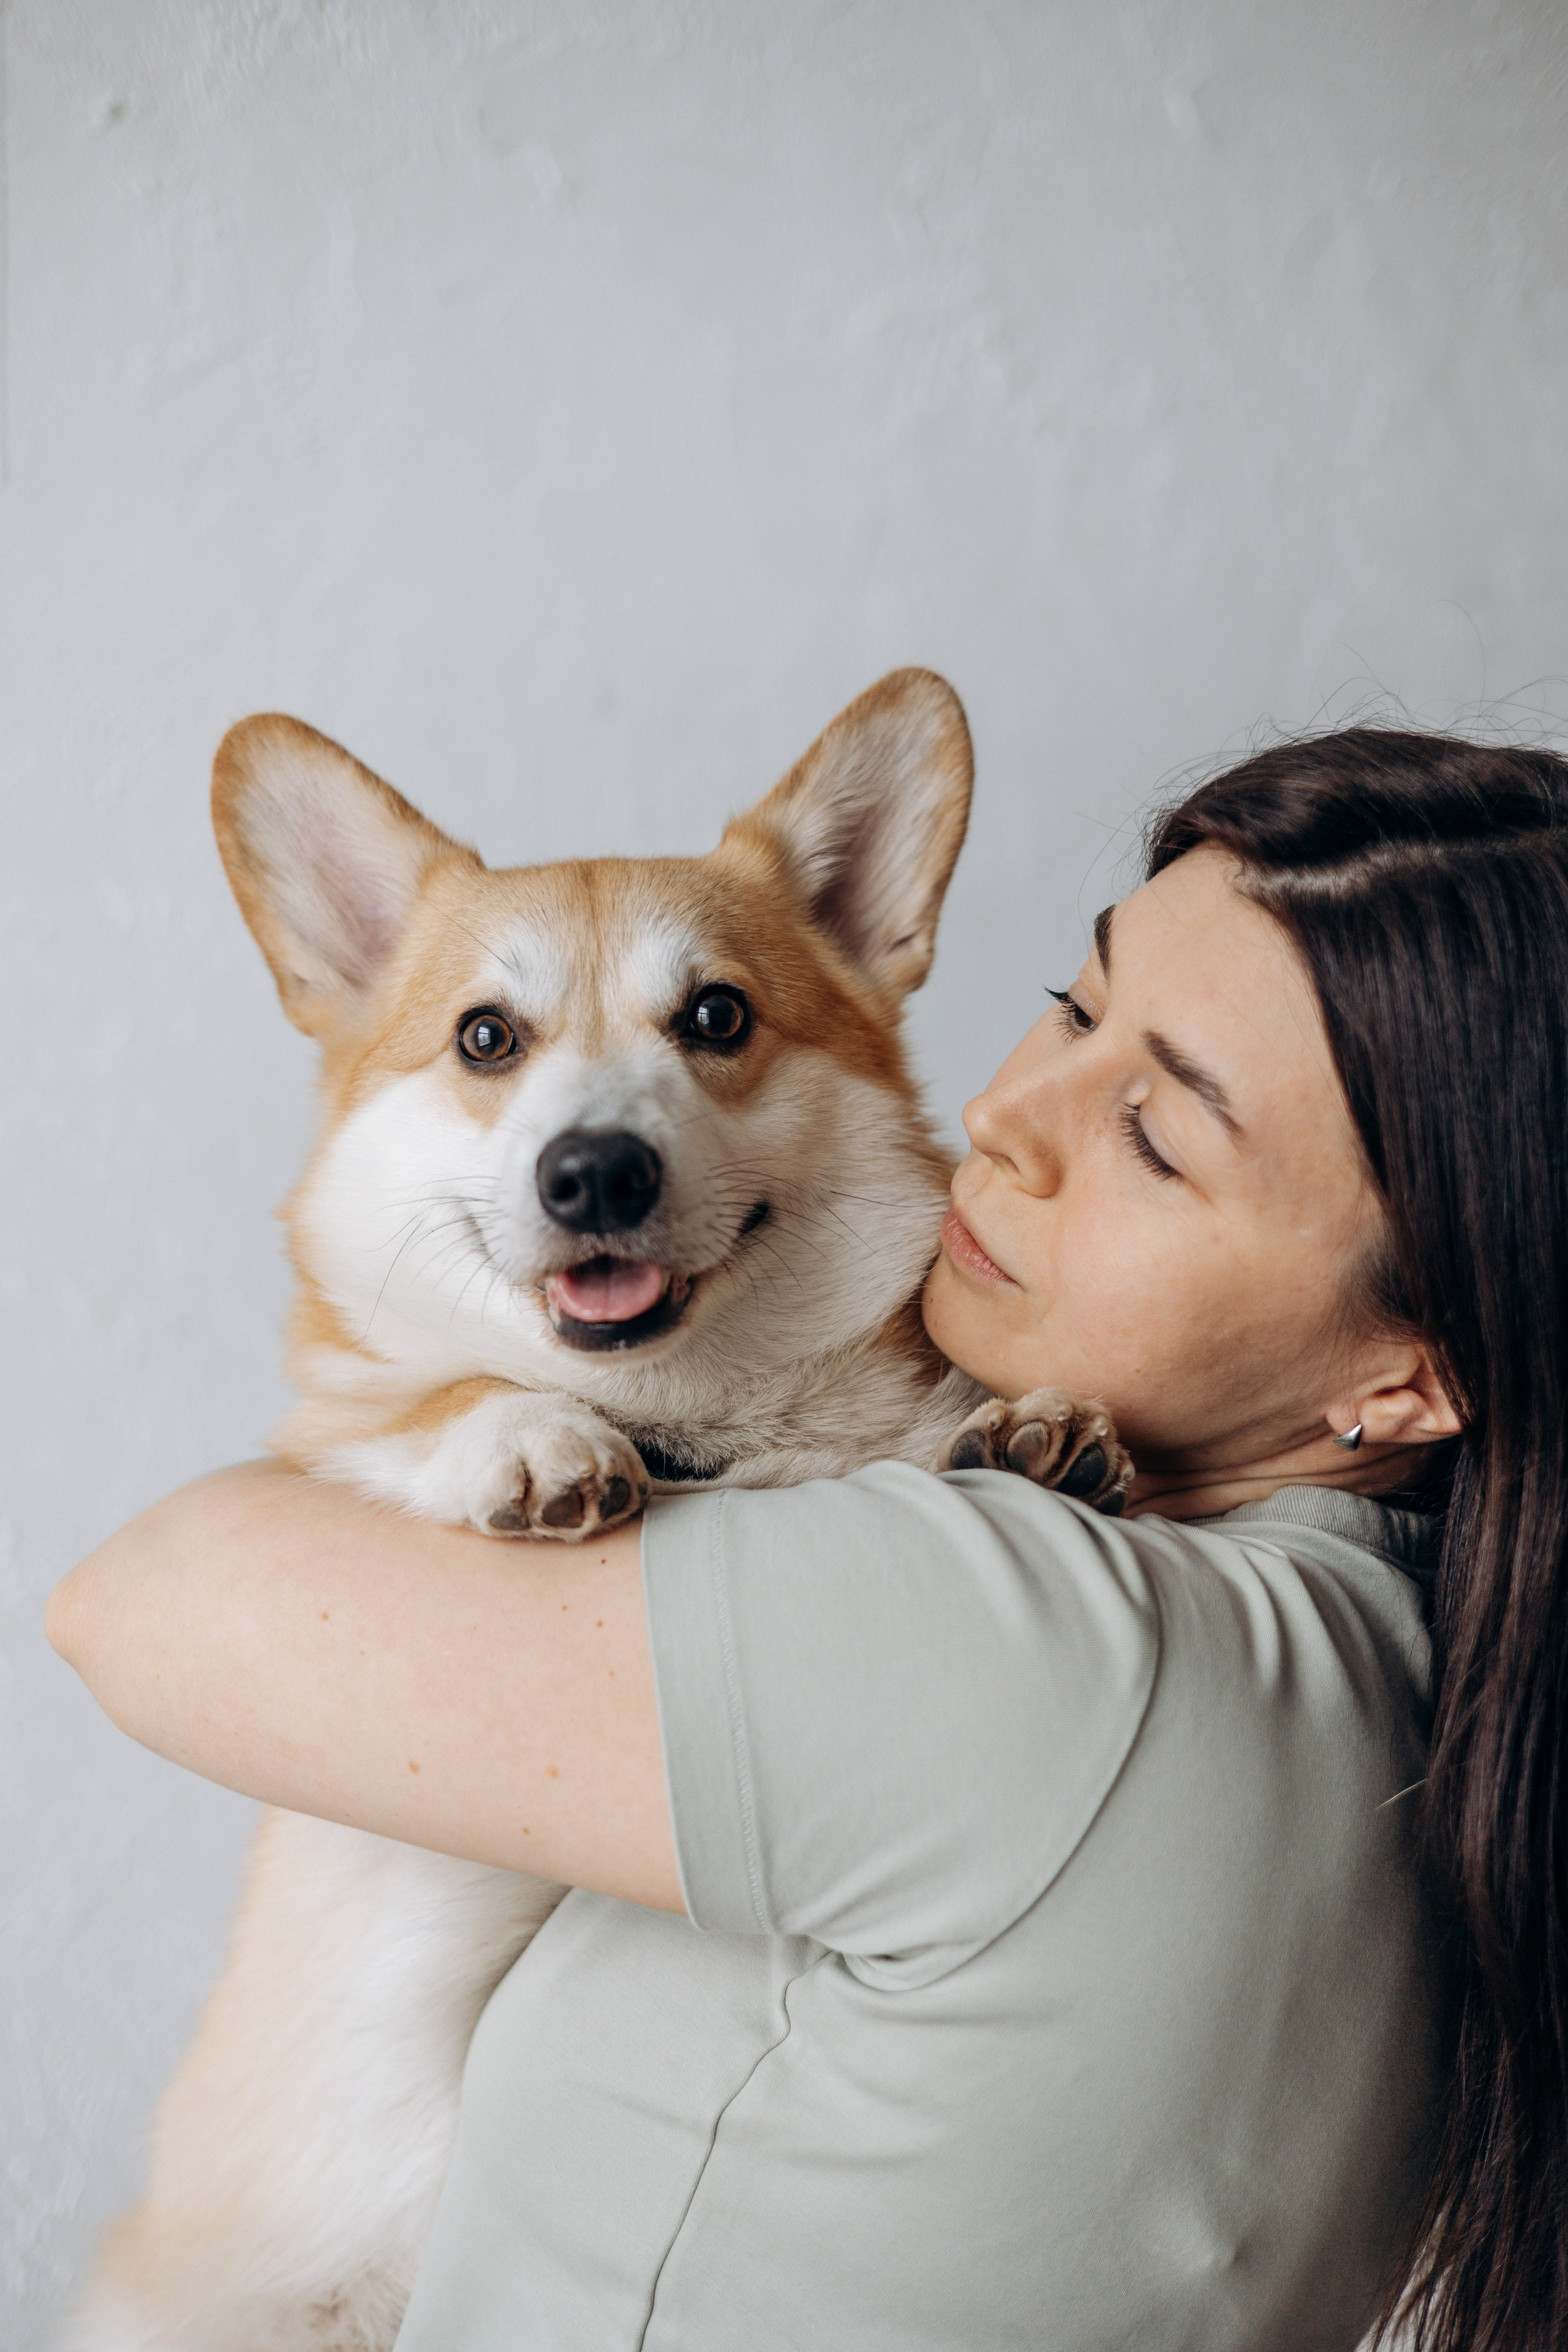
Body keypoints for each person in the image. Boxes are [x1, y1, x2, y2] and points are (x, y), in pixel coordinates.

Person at [48, 728, 1568, 2351]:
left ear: (1413, 1373)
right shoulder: (1395, 1686)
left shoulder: (1044, 1651)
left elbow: (148, 1599)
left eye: (1156, 1133)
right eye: (1073, 1009)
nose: (998, 1115)